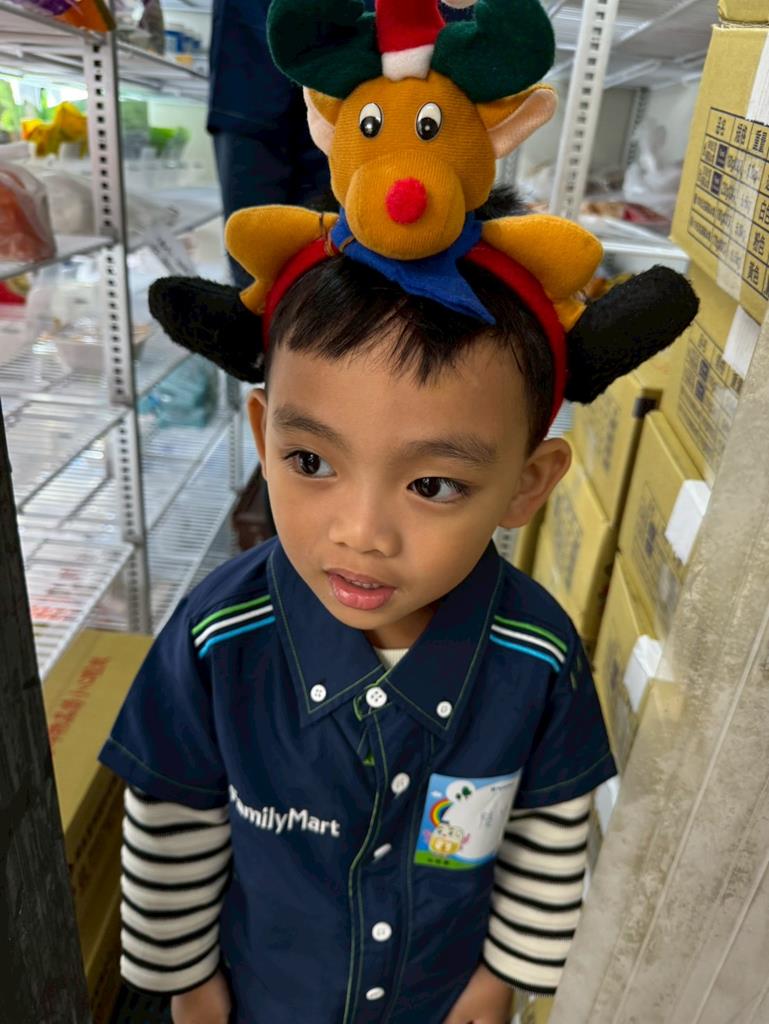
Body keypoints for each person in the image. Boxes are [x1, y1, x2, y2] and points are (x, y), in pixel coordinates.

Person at [103, 0, 698, 1020]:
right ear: (262, 435)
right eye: (310, 461)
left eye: (433, 484)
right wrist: (186, 985)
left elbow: (549, 827)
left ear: (527, 484)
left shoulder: (534, 657)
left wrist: (500, 982)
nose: (361, 532)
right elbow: (172, 817)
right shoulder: (215, 641)